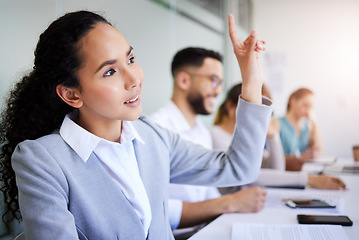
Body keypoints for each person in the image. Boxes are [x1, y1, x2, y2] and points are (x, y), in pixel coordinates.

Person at [0, 11, 273, 239]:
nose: (134, 79)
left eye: (130, 59)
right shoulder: (42, 159)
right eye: (109, 71)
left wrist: (251, 77)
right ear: (72, 94)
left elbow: (239, 168)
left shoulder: (151, 136)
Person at [150, 48, 267, 239]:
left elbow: (207, 191)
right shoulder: (157, 129)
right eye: (213, 80)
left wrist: (237, 204)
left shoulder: (201, 131)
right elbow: (156, 209)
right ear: (184, 80)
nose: (219, 90)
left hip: (205, 228)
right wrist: (231, 203)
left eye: (221, 83)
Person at [211, 83, 346, 190]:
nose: (259, 116)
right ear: (230, 107)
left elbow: (277, 169)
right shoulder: (215, 135)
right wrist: (308, 179)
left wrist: (272, 136)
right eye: (256, 108)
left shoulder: (243, 137)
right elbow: (245, 175)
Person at [275, 88, 323, 171]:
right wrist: (300, 157)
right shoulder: (276, 123)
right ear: (293, 101)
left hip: (302, 173)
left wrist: (315, 124)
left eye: (311, 107)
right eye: (305, 105)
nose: (308, 111)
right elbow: (271, 159)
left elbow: (318, 152)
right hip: (283, 173)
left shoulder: (307, 126)